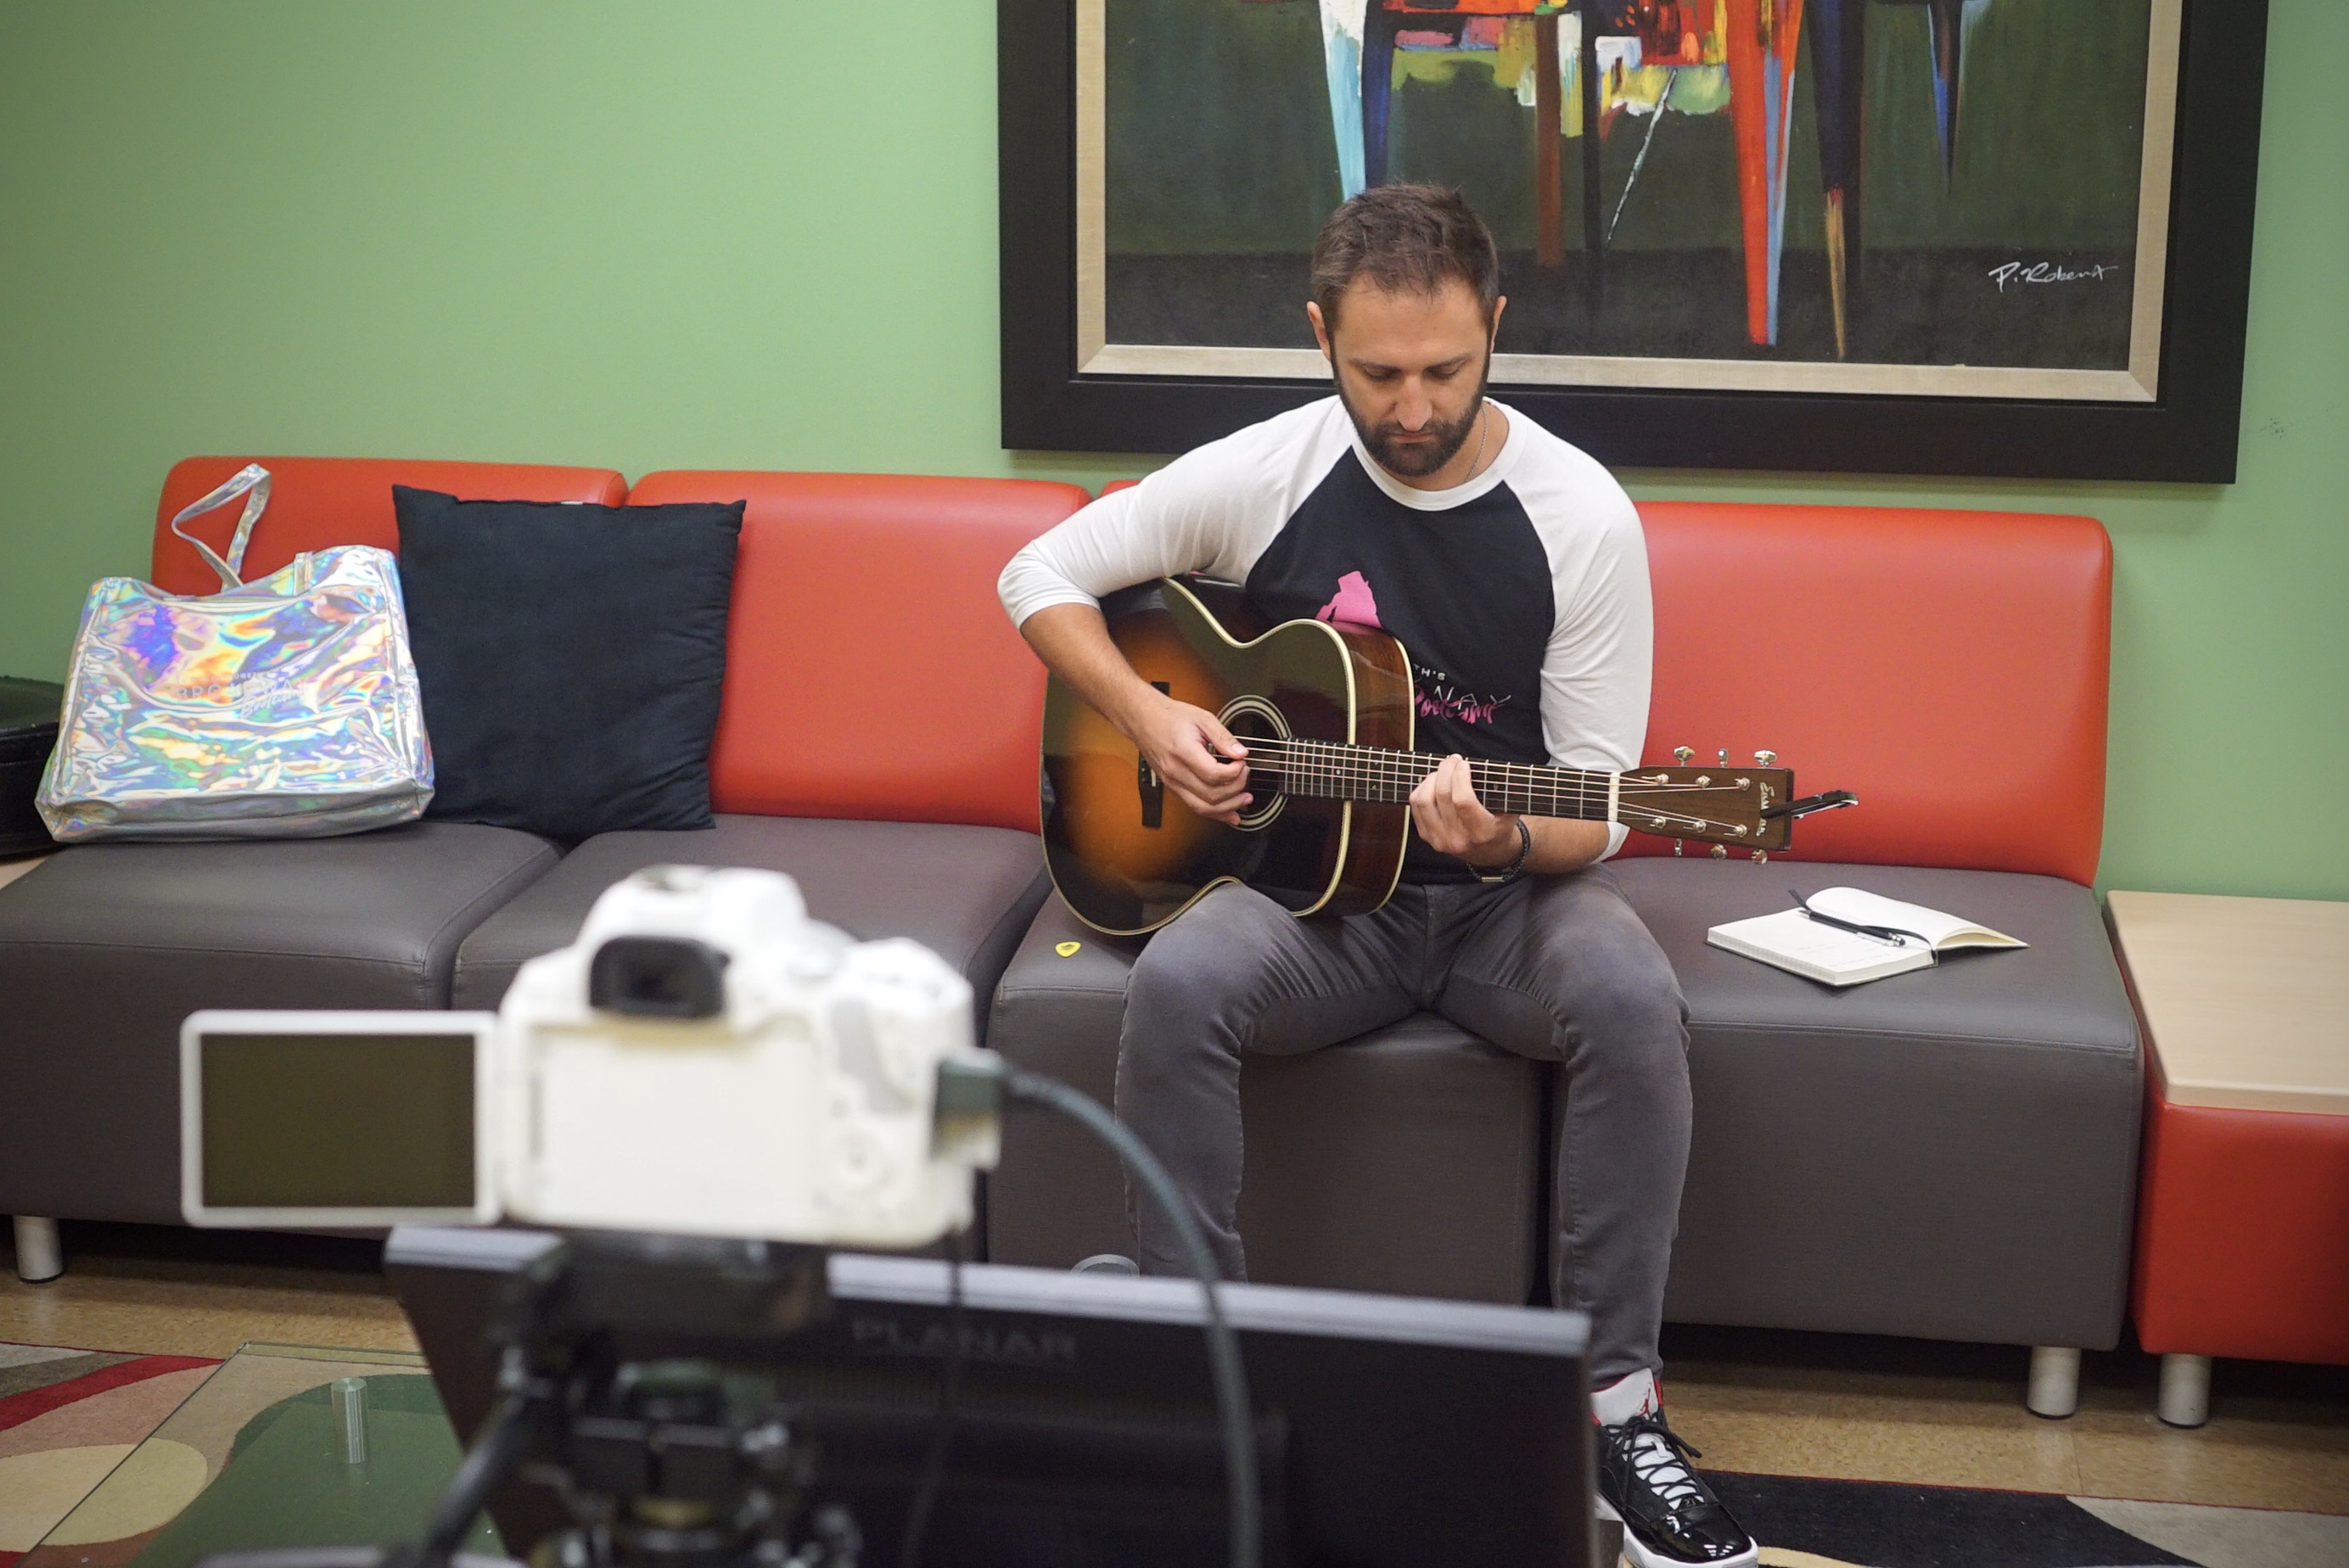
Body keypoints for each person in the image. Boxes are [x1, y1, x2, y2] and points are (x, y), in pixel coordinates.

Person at [996, 185, 1758, 1568]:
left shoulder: (1578, 516)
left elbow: (1599, 809)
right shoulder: (1270, 470)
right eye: (1377, 373)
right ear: (1320, 337)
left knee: (1635, 1001)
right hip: (1307, 902)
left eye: (1446, 371)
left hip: (1502, 904)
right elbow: (1038, 572)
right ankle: (1201, 1378)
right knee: (1178, 986)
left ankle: (1617, 1407)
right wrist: (1149, 714)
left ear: (1496, 329)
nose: (1412, 407)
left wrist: (1510, 838)